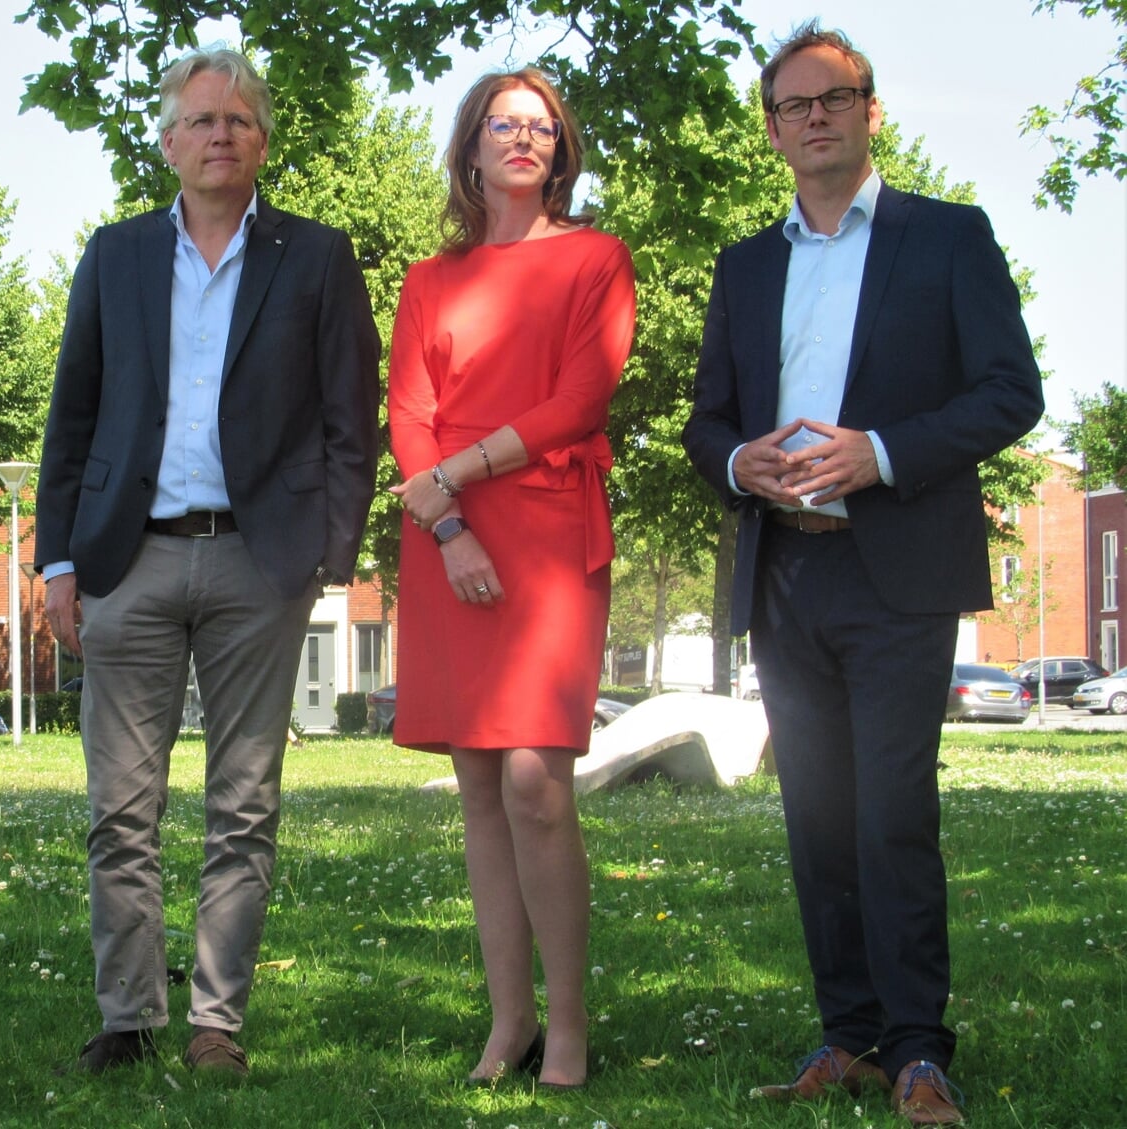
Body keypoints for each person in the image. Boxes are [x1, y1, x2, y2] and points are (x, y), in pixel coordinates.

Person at [682, 24, 1042, 1126]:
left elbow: (1006, 394)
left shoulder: (947, 238)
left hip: (898, 572)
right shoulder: (746, 265)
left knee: (892, 812)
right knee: (816, 817)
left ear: (870, 109)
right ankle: (845, 1034)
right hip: (786, 572)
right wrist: (738, 460)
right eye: (792, 106)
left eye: (834, 97)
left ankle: (919, 1049)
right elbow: (706, 423)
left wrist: (876, 452)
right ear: (773, 131)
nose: (815, 118)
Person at [34, 47, 380, 1077]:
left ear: (262, 140)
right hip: (126, 558)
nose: (219, 134)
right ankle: (128, 1015)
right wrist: (57, 560)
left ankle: (216, 1023)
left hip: (256, 563)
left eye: (238, 119)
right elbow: (74, 415)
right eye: (200, 119)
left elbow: (346, 419)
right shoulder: (116, 254)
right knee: (118, 808)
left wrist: (326, 552)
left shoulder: (314, 257)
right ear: (168, 141)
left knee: (243, 804)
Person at [388, 68, 636, 1091]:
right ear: (473, 147)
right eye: (504, 124)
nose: (523, 139)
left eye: (541, 127)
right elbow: (407, 414)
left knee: (537, 778)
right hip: (448, 533)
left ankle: (569, 1025)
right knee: (480, 783)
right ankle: (509, 1022)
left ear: (559, 150)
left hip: (545, 528)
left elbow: (583, 395)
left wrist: (463, 466)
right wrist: (445, 515)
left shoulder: (595, 258)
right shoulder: (427, 279)